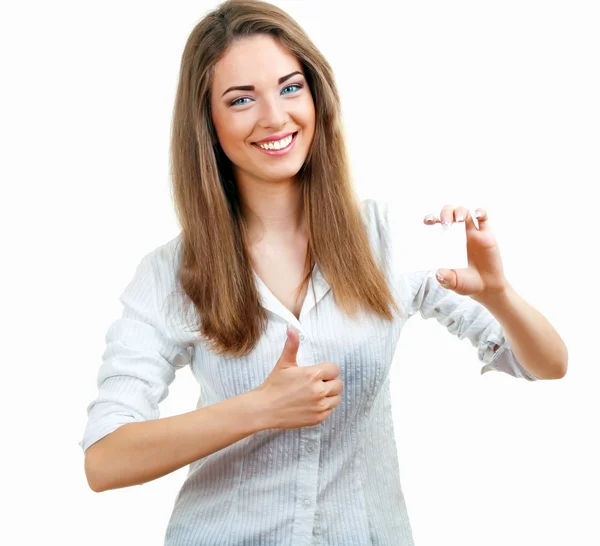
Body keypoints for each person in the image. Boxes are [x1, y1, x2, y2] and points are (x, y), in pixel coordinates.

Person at [79, 1, 568, 544]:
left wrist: (499, 295)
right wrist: (258, 409)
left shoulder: (390, 235)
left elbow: (545, 364)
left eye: (290, 88)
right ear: (208, 124)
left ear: (316, 96)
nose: (274, 117)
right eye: (241, 100)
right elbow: (105, 460)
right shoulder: (170, 272)